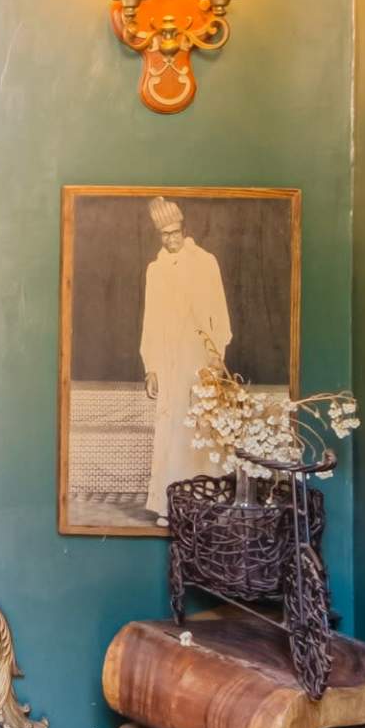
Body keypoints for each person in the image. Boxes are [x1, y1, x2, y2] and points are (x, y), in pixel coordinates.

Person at [135, 196, 233, 520]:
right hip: (168, 359)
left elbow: (219, 310)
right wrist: (151, 367)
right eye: (165, 235)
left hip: (200, 357)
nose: (171, 239)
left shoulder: (206, 262)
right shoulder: (155, 270)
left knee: (201, 428)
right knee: (172, 430)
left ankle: (205, 504)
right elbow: (150, 320)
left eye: (175, 233)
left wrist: (217, 355)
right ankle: (170, 506)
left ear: (184, 230)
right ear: (159, 235)